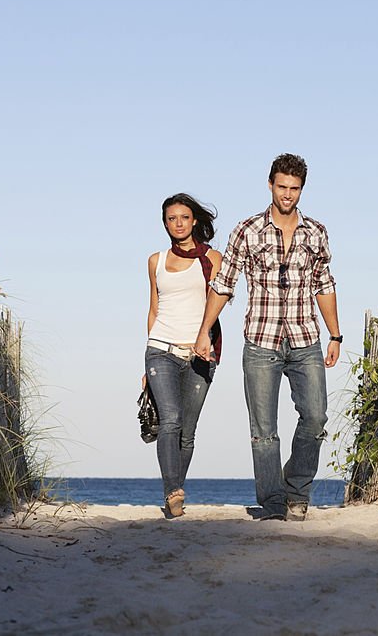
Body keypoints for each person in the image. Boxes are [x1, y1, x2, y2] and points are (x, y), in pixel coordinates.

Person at [195, 153, 341, 522]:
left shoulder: (316, 232)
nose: (287, 194)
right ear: (270, 184)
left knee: (316, 417)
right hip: (261, 340)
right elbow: (224, 284)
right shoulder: (247, 230)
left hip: (305, 338)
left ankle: (296, 486)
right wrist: (203, 332)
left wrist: (335, 335)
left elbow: (324, 284)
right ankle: (275, 504)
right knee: (264, 431)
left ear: (302, 189)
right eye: (282, 186)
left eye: (294, 188)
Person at [145, 193, 222, 518]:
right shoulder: (155, 261)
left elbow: (217, 304)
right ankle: (173, 492)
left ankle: (176, 487)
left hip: (199, 354)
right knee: (170, 421)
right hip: (159, 349)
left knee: (187, 432)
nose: (177, 223)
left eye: (183, 217)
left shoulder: (213, 259)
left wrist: (206, 339)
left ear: (194, 221)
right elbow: (153, 309)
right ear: (165, 223)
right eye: (171, 218)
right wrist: (146, 363)